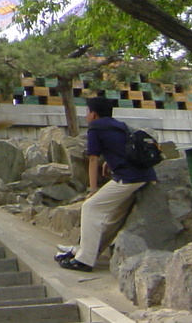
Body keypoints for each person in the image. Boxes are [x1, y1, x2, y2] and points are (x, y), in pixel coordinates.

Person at [54, 96, 157, 272]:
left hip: (127, 178)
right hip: (144, 175)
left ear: (93, 114)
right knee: (114, 218)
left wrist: (93, 189)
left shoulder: (95, 128)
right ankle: (85, 252)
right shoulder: (119, 126)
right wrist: (110, 162)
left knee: (90, 207)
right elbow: (122, 149)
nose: (86, 114)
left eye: (87, 111)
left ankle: (84, 260)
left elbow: (93, 160)